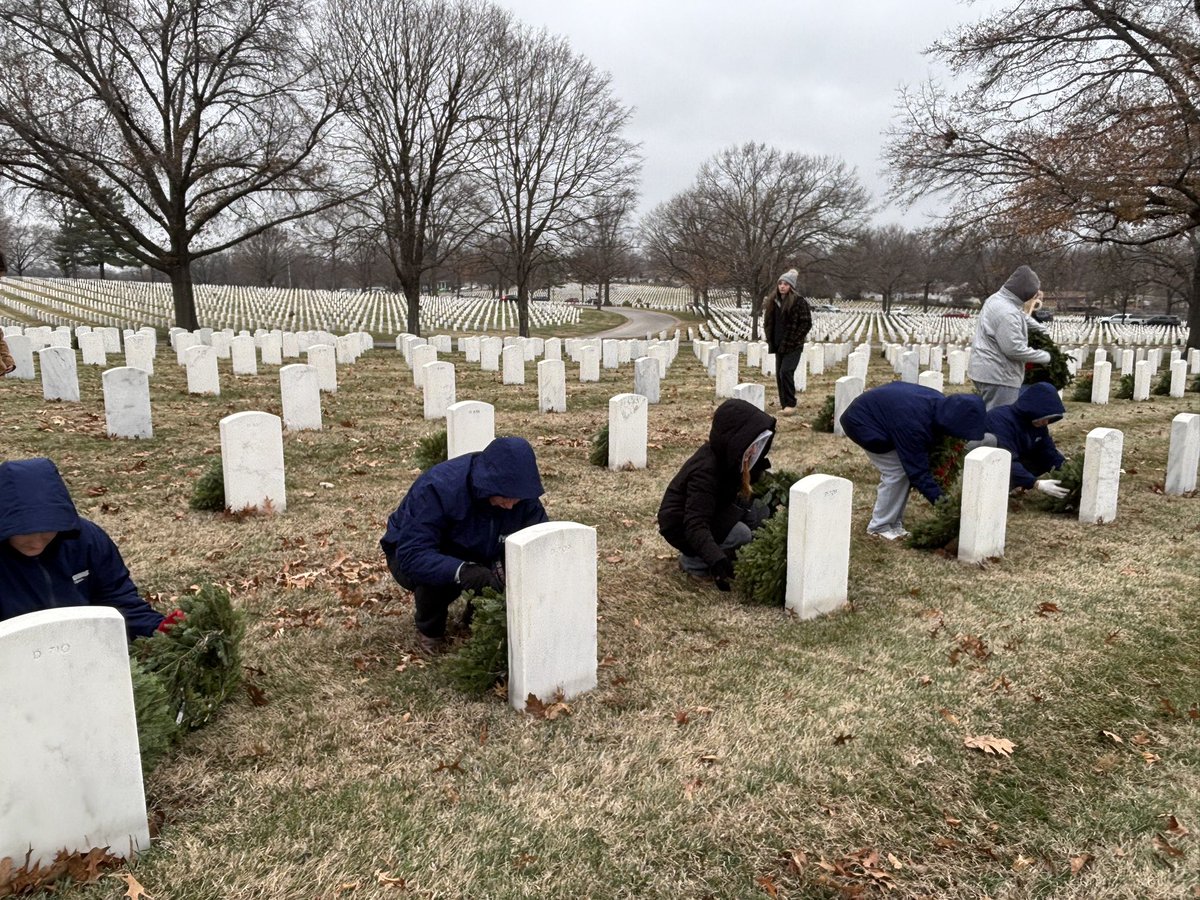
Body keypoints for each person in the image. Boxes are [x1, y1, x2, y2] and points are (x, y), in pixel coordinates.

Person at [380, 436, 548, 652]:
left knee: (513, 568)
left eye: (516, 499)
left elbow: (539, 542)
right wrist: (462, 571)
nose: (510, 505)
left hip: (482, 547)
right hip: (415, 551)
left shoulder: (521, 496)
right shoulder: (437, 488)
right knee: (439, 577)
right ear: (488, 483)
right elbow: (413, 555)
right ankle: (430, 630)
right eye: (505, 497)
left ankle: (479, 614)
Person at [0, 457, 169, 640]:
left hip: (86, 646)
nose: (37, 543)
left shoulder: (86, 540)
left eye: (47, 533)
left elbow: (119, 602)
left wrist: (162, 629)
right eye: (25, 534)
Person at [840, 383, 987, 540]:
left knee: (904, 470)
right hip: (862, 421)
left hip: (886, 413)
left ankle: (894, 523)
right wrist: (945, 506)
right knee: (897, 471)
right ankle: (880, 526)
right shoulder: (914, 426)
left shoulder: (941, 406)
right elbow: (917, 471)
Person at [657, 398, 776, 590]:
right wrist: (717, 560)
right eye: (751, 442)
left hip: (716, 508)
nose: (754, 449)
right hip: (682, 524)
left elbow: (742, 486)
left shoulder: (730, 457)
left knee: (758, 513)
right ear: (736, 439)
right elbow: (695, 523)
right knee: (741, 534)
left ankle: (725, 554)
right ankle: (694, 563)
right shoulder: (706, 471)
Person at [968, 265, 1052, 410]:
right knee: (1000, 419)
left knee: (990, 415)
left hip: (985, 369)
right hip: (999, 375)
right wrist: (1046, 356)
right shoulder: (1007, 312)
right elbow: (1013, 349)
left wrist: (1040, 328)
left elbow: (1020, 316)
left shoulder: (997, 299)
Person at [985, 382, 1069, 497]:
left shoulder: (1038, 424)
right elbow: (1006, 459)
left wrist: (1068, 471)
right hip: (994, 465)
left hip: (1019, 459)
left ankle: (1016, 484)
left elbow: (1047, 450)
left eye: (1049, 419)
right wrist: (1036, 483)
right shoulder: (1000, 420)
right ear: (1033, 410)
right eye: (1044, 418)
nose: (1046, 423)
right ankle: (1000, 487)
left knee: (1054, 456)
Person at [762, 268, 812, 416]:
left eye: (786, 284)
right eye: (780, 283)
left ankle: (791, 404)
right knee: (779, 375)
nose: (782, 286)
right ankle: (785, 406)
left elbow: (806, 323)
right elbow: (769, 321)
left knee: (786, 372)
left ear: (791, 286)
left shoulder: (798, 301)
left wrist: (795, 339)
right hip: (778, 344)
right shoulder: (773, 301)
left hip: (793, 345)